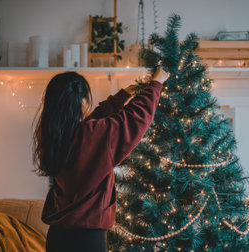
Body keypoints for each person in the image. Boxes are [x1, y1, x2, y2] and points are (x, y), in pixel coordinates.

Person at [33, 68, 169, 252]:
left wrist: (123, 95)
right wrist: (155, 85)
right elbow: (132, 119)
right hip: (86, 240)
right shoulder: (91, 135)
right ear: (78, 103)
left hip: (57, 237)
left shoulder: (55, 135)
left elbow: (92, 122)